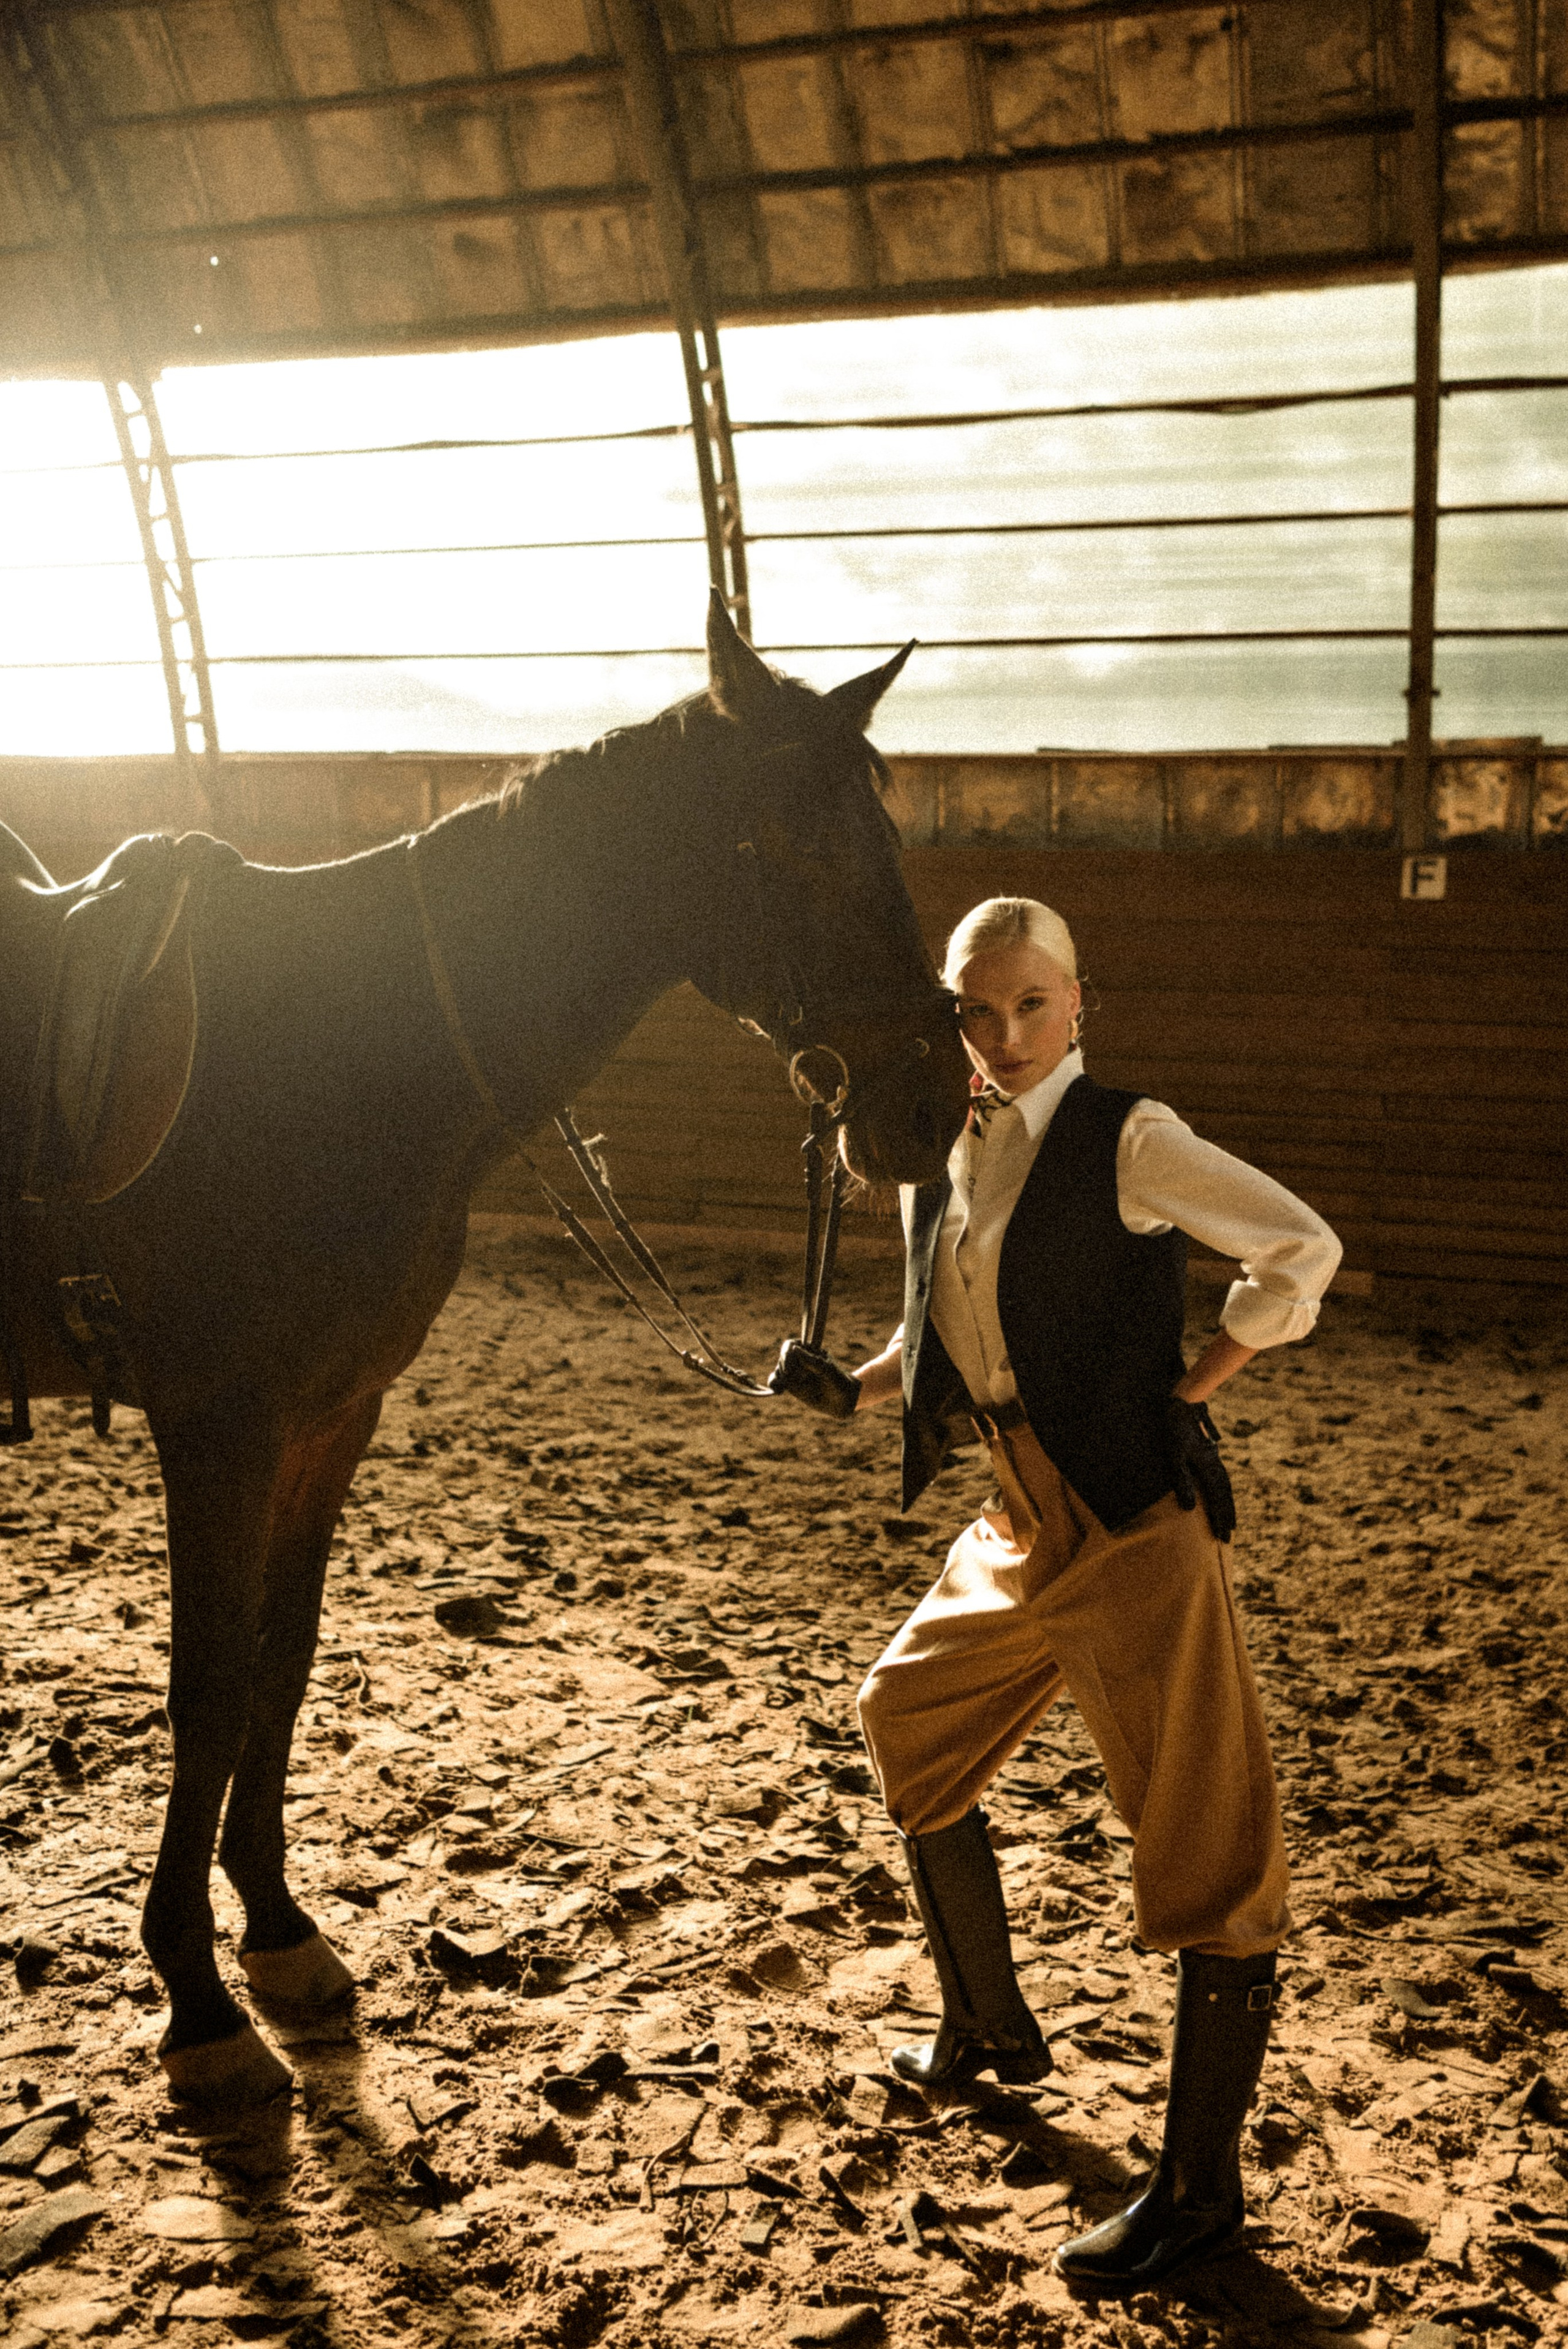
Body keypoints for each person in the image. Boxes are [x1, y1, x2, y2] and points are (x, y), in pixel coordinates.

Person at [771, 894, 1341, 2291]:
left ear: (1078, 1003)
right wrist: (846, 1384)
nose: (1004, 1034)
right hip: (1014, 1515)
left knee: (1209, 1857)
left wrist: (1201, 1376)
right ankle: (988, 2027)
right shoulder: (939, 1149)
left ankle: (1198, 2196)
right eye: (976, 1009)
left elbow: (1298, 1249)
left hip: (1135, 1527)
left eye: (1030, 1005)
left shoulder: (1129, 1139)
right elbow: (949, 1317)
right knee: (905, 1717)